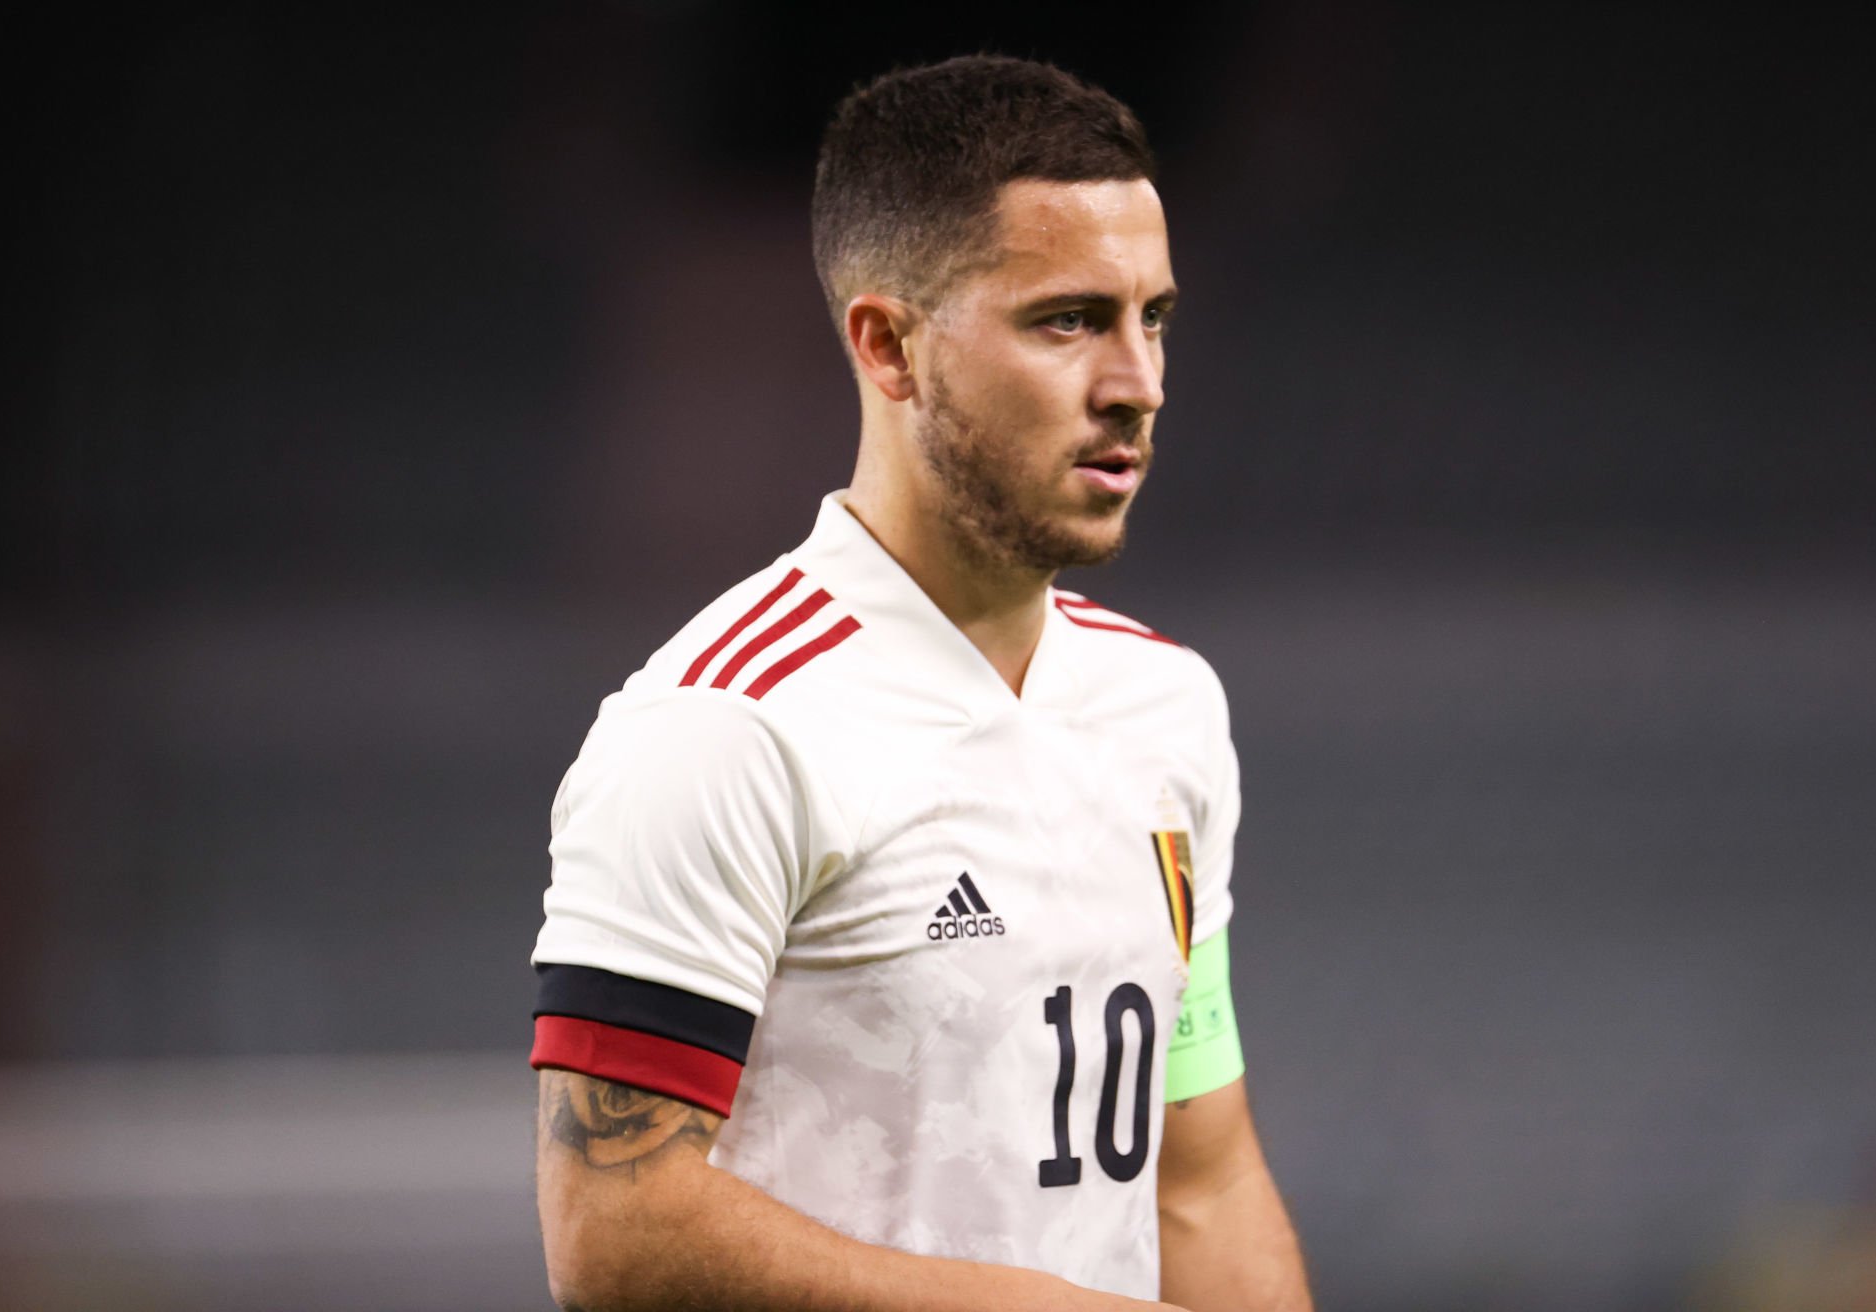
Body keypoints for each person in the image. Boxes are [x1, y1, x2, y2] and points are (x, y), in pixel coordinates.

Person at [529, 54, 1314, 1312]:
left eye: (1152, 317)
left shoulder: (1167, 704)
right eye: (1068, 320)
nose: (1138, 383)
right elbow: (615, 1231)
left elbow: (1200, 1180)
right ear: (888, 346)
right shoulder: (726, 726)